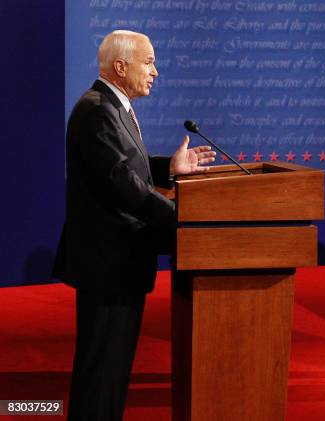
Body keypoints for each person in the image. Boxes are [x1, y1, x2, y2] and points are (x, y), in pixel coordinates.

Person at [52, 30, 215, 420]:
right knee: (102, 371)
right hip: (108, 264)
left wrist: (168, 168)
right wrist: (182, 218)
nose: (155, 71)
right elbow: (122, 184)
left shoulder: (112, 105)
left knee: (111, 371)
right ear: (121, 66)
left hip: (119, 262)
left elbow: (126, 168)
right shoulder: (96, 109)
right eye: (149, 61)